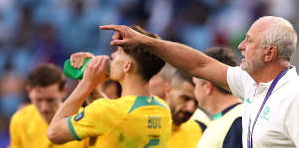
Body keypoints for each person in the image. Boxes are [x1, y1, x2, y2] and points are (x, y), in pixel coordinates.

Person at [100, 16, 299, 147]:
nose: (241, 45)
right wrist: (147, 42)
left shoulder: (293, 97)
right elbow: (199, 66)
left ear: (270, 53)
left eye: (249, 40)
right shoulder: (251, 84)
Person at [47, 26, 172, 148]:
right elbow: (113, 121)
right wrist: (87, 79)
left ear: (127, 66)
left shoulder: (108, 111)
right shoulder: (162, 109)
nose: (112, 56)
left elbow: (54, 132)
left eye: (118, 52)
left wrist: (87, 83)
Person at [9, 64, 88, 148]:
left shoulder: (83, 120)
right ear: (29, 92)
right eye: (38, 100)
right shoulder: (20, 120)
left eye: (50, 100)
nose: (44, 108)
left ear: (64, 91)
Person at [194, 47, 243, 148]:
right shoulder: (227, 119)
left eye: (195, 84)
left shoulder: (237, 121)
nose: (194, 91)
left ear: (208, 86)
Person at [165, 70, 202, 148]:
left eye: (196, 102)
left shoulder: (195, 129)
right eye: (185, 98)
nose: (191, 109)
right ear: (168, 90)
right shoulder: (149, 124)